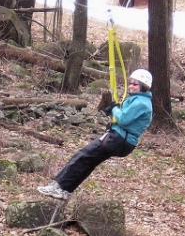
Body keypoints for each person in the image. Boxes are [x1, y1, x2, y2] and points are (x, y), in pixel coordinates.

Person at [37, 68, 153, 200]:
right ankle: (63, 189)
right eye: (130, 83)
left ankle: (59, 187)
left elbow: (124, 119)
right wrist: (114, 112)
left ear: (144, 86)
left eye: (135, 84)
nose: (131, 86)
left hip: (118, 139)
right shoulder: (137, 100)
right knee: (87, 161)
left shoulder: (141, 103)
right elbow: (124, 118)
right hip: (120, 139)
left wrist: (115, 109)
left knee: (82, 157)